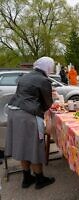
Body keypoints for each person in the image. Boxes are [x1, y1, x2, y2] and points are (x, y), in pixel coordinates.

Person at [5, 57, 55, 189]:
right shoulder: (44, 80)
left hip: (14, 112)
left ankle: (26, 178)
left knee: (23, 145)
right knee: (35, 146)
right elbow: (47, 103)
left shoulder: (25, 76)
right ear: (48, 67)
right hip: (28, 115)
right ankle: (40, 179)